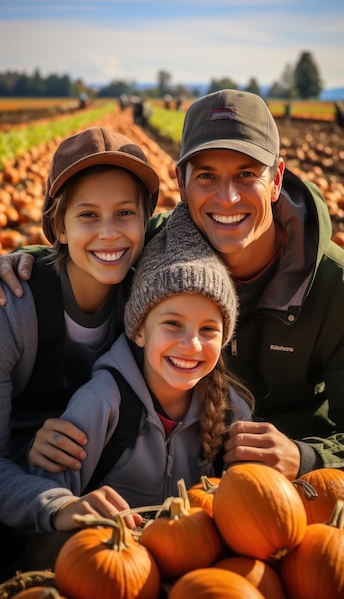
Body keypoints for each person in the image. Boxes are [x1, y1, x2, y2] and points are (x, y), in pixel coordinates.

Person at [3, 89, 344, 484]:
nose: (228, 197)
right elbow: (94, 247)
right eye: (205, 175)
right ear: (181, 185)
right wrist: (27, 259)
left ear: (276, 180)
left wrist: (308, 456)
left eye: (246, 174)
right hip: (184, 481)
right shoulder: (159, 248)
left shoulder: (337, 288)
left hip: (293, 490)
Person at [7, 202, 253, 572]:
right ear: (139, 330)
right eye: (173, 324)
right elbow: (48, 505)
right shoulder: (102, 402)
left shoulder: (233, 413)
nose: (192, 345)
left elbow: (253, 513)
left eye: (209, 330)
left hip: (193, 571)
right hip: (113, 564)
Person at [0, 125, 159, 578]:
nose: (109, 234)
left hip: (91, 480)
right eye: (88, 215)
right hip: (21, 491)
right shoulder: (12, 310)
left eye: (125, 213)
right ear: (58, 227)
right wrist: (58, 504)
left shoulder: (145, 297)